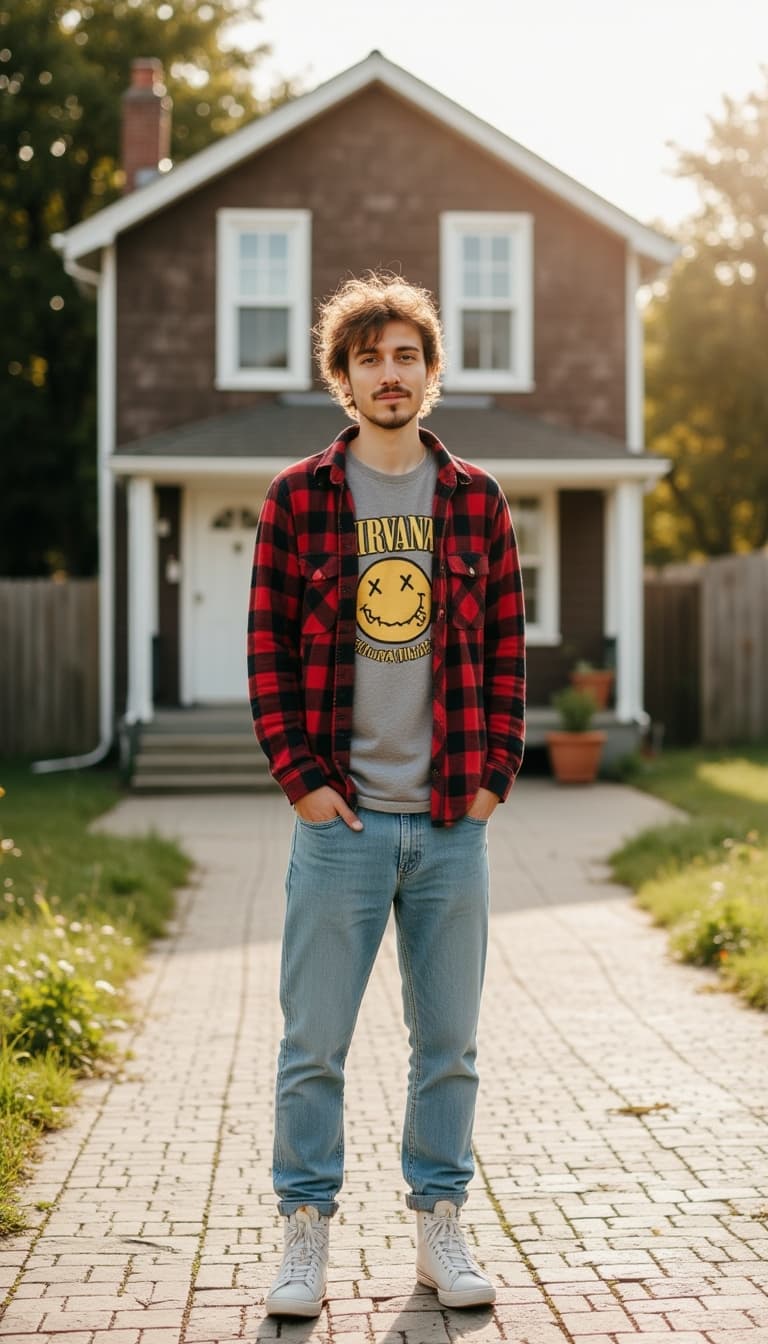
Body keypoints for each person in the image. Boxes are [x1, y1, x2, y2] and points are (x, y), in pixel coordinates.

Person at [248, 272, 525, 1318]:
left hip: (454, 823)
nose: (390, 373)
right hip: (343, 827)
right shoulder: (298, 498)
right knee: (313, 1043)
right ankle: (304, 1234)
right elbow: (267, 654)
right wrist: (305, 787)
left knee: (448, 1045)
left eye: (407, 355)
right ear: (344, 378)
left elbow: (506, 650)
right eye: (369, 356)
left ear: (430, 372)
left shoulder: (477, 500)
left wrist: (494, 780)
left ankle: (438, 1227)